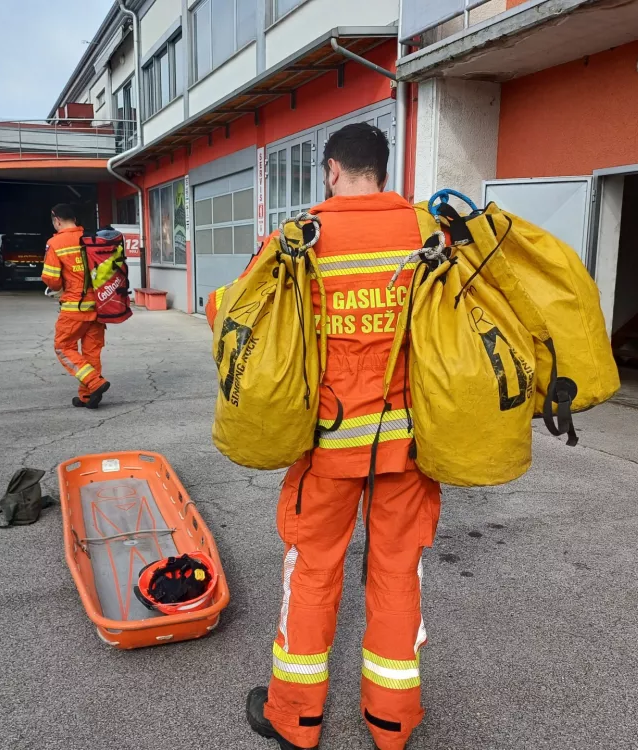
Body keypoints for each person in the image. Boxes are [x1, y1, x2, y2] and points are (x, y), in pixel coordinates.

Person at [206, 123, 442, 750]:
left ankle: (296, 720)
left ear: (333, 169)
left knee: (313, 571)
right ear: (383, 172)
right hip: (409, 448)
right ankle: (391, 726)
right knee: (397, 573)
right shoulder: (427, 233)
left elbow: (232, 313)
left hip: (327, 448)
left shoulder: (300, 237)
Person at [41, 203, 111, 409]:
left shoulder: (56, 243)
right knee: (91, 352)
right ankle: (87, 396)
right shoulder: (91, 238)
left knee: (63, 347)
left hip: (74, 308)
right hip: (99, 307)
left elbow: (52, 279)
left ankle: (95, 383)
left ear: (57, 220)